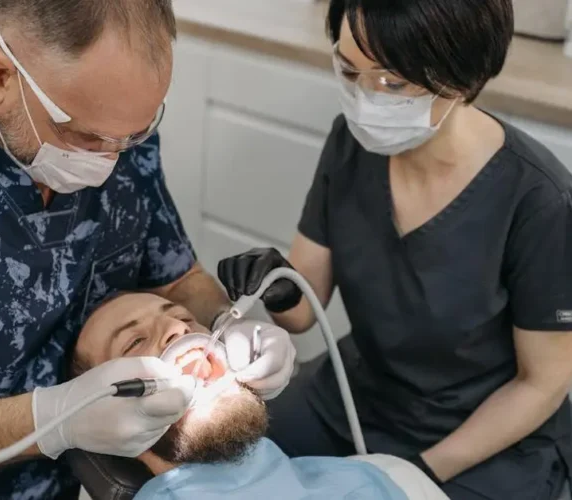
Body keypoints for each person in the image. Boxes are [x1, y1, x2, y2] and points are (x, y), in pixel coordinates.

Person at [0, 1, 296, 498]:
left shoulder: (113, 123)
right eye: (87, 138)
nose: (112, 162)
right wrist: (48, 422)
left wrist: (229, 324)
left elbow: (175, 277)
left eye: (137, 135)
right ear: (0, 76)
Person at [217, 1, 572, 499]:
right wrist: (276, 282)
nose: (364, 99)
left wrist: (417, 473)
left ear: (462, 80)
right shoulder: (350, 144)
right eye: (347, 70)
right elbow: (302, 314)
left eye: (392, 84)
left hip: (486, 439)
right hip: (358, 397)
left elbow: (542, 385)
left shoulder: (539, 201)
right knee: (224, 469)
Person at [71, 291, 449, 500]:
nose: (176, 328)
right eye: (134, 341)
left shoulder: (390, 476)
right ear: (109, 421)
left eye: (185, 318)